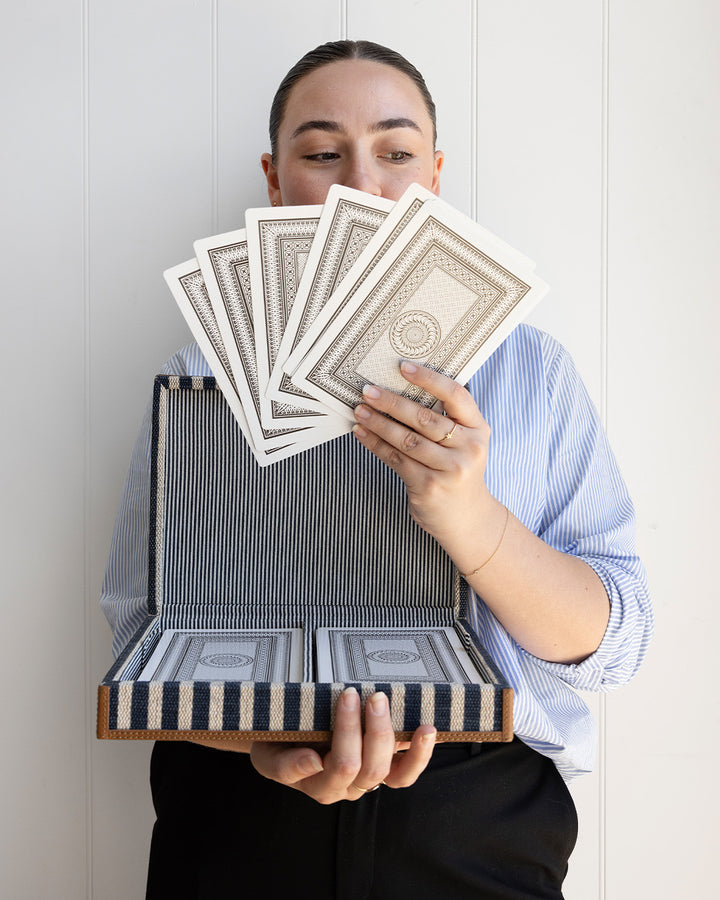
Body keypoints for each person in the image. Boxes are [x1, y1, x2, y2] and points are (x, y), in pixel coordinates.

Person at [101, 40, 653, 899]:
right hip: (239, 804)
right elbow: (144, 638)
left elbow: (613, 646)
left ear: (434, 176)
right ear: (275, 181)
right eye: (322, 154)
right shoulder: (203, 377)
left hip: (479, 814)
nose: (364, 186)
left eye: (396, 153)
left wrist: (475, 520)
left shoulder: (533, 371)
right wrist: (257, 739)